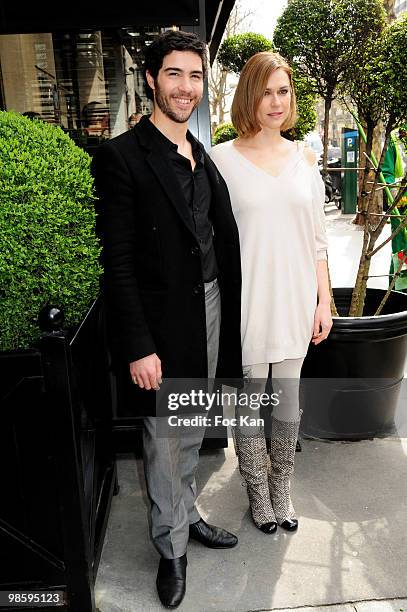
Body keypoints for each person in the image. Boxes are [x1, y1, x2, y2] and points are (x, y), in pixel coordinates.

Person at [91, 30, 242, 609]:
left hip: (208, 308)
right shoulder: (123, 157)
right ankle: (171, 547)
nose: (186, 87)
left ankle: (185, 513)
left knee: (191, 430)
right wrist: (137, 345)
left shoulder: (200, 156)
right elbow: (118, 261)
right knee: (164, 438)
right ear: (151, 78)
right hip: (161, 323)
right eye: (174, 74)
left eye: (196, 76)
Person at [209, 52, 332, 535]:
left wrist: (324, 301)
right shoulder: (221, 160)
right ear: (249, 96)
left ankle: (282, 488)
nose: (276, 101)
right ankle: (257, 491)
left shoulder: (305, 157)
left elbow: (318, 238)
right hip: (248, 302)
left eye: (283, 91)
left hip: (296, 299)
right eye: (266, 91)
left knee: (287, 401)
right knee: (248, 401)